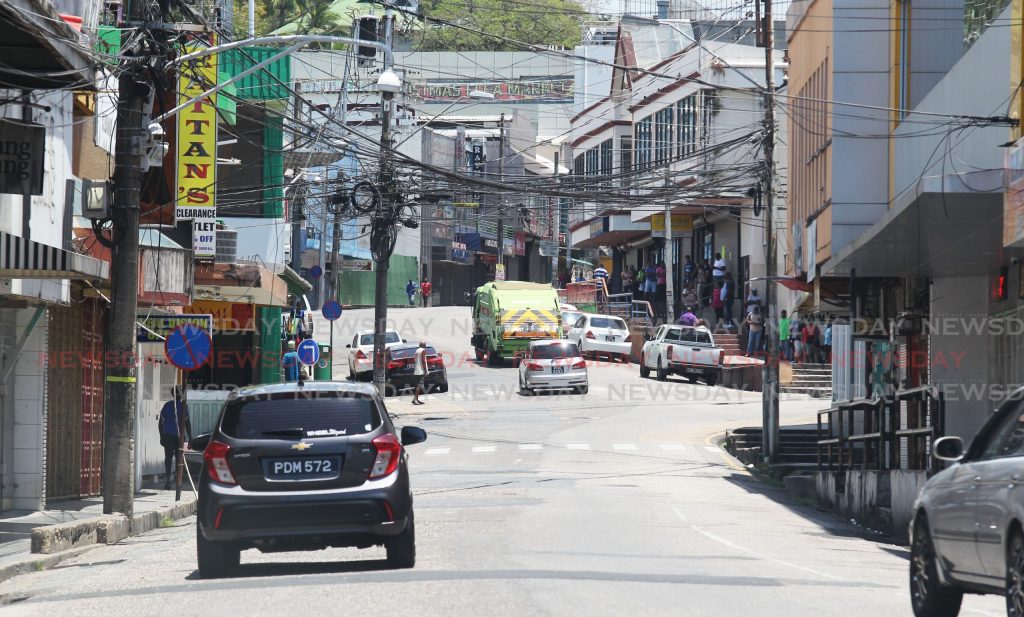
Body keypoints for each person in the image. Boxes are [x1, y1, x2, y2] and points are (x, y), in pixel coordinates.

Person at [158, 386, 192, 490]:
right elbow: (187, 424)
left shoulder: (167, 406)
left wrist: (161, 436)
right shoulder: (184, 407)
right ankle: (178, 481)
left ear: (173, 394)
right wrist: (190, 438)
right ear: (181, 395)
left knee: (168, 458)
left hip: (167, 435)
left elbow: (160, 423)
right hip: (179, 437)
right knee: (179, 458)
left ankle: (168, 480)